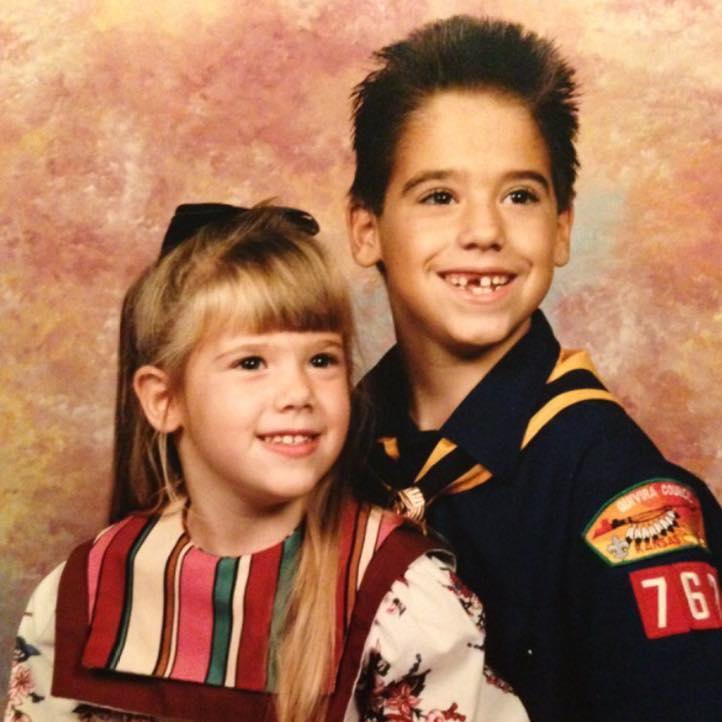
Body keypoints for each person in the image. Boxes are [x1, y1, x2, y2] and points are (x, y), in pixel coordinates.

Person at [5, 203, 529, 722]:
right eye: (252, 362)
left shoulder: (401, 596)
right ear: (165, 400)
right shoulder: (85, 589)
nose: (298, 392)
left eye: (321, 360)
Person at [346, 15, 722, 722]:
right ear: (366, 229)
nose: (484, 232)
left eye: (519, 195)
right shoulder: (336, 451)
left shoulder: (622, 498)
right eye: (439, 196)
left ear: (562, 229)